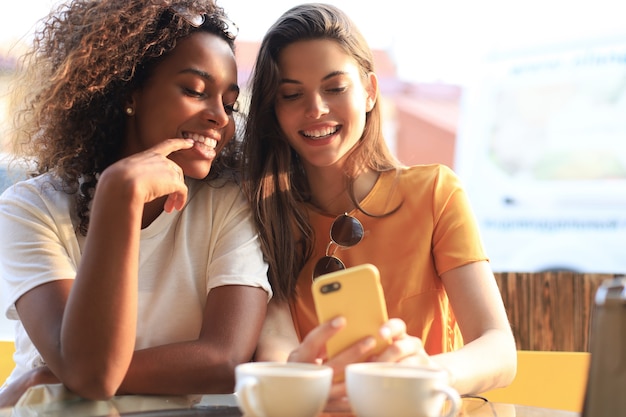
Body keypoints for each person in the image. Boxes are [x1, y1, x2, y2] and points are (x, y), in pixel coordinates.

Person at [241, 2, 517, 407]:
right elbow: (277, 348)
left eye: (335, 88)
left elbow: (498, 349)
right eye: (292, 94)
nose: (315, 108)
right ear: (274, 109)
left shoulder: (435, 192)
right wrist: (303, 378)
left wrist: (429, 373)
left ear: (370, 91)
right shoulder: (265, 212)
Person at [0, 0, 271, 407]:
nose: (220, 117)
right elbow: (92, 376)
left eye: (229, 102)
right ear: (129, 91)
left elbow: (225, 359)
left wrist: (57, 374)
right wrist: (119, 196)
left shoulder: (227, 202)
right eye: (195, 91)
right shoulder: (29, 208)